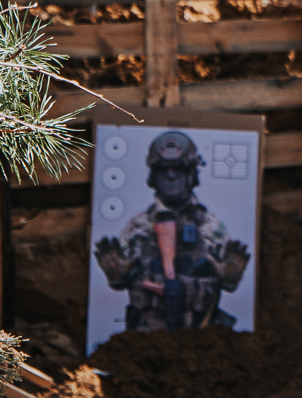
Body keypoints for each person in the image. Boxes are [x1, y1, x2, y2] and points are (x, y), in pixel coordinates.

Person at [94, 131, 251, 331]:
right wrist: (117, 275)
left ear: (191, 174)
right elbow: (120, 282)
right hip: (146, 339)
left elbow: (228, 285)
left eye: (178, 168)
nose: (170, 175)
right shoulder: (138, 227)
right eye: (163, 169)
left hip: (201, 337)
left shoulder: (212, 228)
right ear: (153, 175)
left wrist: (230, 278)